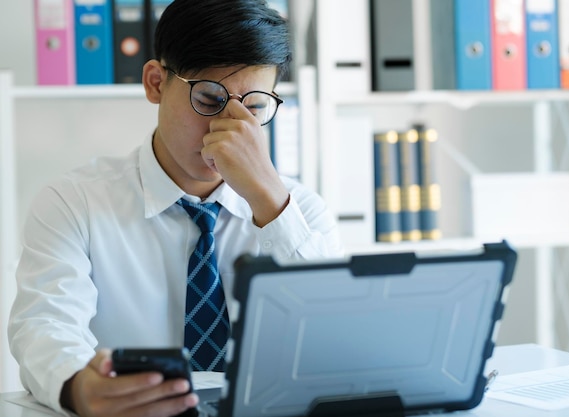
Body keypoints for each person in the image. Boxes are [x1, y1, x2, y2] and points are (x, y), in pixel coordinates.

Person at [8, 1, 343, 416]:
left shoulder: (301, 212)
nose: (230, 129)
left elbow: (331, 346)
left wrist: (270, 202)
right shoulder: (74, 202)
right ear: (155, 83)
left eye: (254, 108)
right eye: (209, 98)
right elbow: (45, 328)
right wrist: (79, 388)